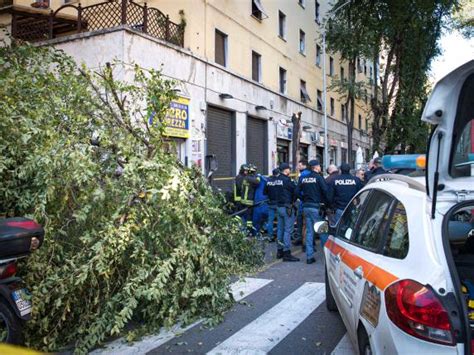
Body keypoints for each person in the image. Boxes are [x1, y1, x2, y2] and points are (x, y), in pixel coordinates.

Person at [296, 159, 330, 264]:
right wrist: (327, 204)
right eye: (319, 166)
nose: (320, 167)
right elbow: (326, 191)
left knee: (310, 231)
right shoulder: (319, 178)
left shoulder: (303, 178)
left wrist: (303, 198)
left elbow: (296, 191)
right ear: (315, 167)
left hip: (306, 207)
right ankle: (327, 255)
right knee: (322, 231)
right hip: (317, 207)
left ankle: (309, 256)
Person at [276, 163, 299, 262]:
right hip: (287, 207)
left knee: (280, 230)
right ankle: (287, 253)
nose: (290, 171)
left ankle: (279, 251)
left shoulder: (276, 180)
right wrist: (293, 201)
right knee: (288, 230)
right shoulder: (287, 180)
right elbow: (296, 191)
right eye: (289, 169)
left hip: (279, 207)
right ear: (286, 170)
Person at [233, 163, 260, 229]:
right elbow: (257, 181)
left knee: (240, 213)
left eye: (247, 171)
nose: (246, 172)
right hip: (243, 199)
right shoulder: (242, 177)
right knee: (248, 215)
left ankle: (234, 224)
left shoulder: (244, 177)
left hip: (242, 199)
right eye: (245, 171)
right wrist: (257, 176)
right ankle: (248, 229)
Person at [294, 160, 311, 246]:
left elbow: (298, 190)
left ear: (304, 166)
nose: (298, 167)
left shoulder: (303, 174)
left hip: (303, 203)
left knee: (303, 223)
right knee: (307, 224)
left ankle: (303, 241)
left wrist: (301, 198)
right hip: (309, 201)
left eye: (299, 165)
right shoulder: (310, 174)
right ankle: (308, 242)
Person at [264, 168, 280, 241]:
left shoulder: (268, 181)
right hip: (279, 203)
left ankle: (270, 236)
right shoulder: (279, 181)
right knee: (280, 220)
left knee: (270, 221)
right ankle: (279, 237)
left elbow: (264, 192)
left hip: (270, 203)